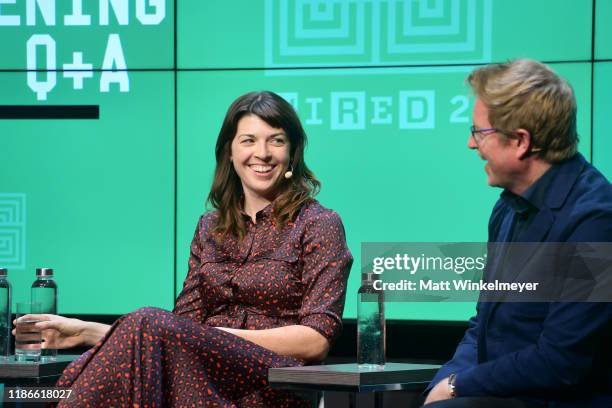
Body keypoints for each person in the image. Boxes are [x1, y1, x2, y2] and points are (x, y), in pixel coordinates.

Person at [17, 91, 353, 407]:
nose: (262, 153)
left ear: (291, 152)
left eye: (276, 141)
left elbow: (315, 340)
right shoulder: (211, 227)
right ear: (229, 152)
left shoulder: (318, 223)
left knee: (147, 323)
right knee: (144, 335)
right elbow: (178, 327)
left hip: (270, 385)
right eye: (248, 140)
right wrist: (85, 331)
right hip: (196, 379)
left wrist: (212, 338)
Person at [424, 60, 612, 407]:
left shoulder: (597, 220)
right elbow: (482, 324)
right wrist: (440, 385)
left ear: (521, 142)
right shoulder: (508, 208)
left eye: (479, 132)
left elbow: (560, 361)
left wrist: (457, 386)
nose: (470, 143)